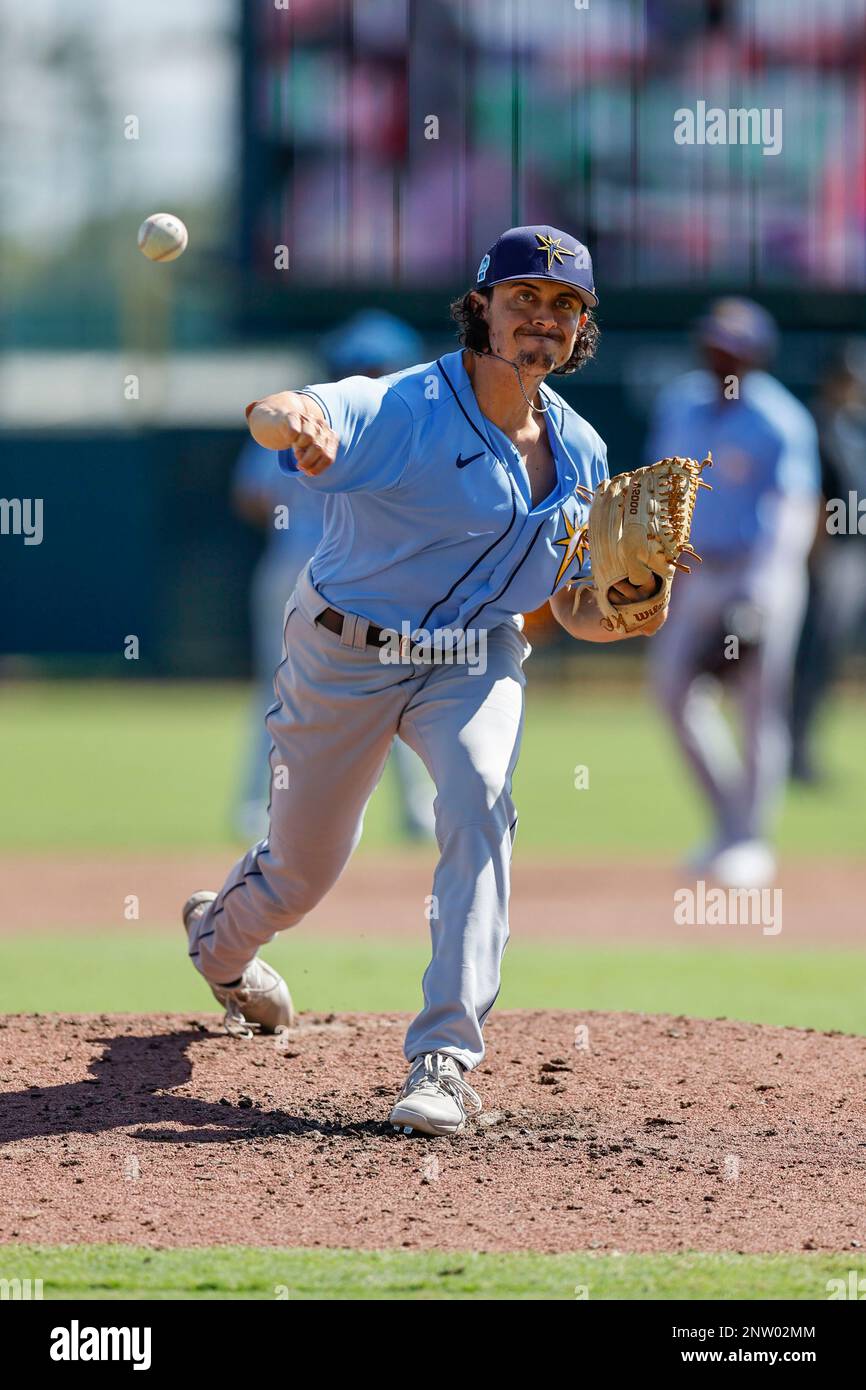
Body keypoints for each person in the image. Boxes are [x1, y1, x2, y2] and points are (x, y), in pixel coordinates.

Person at [183, 225, 662, 1136]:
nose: (543, 320)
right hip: (344, 653)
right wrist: (301, 424)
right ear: (480, 306)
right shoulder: (405, 404)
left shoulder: (585, 453)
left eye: (565, 306)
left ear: (582, 329)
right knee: (299, 876)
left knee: (480, 797)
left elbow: (573, 610)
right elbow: (283, 410)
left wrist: (631, 606)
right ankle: (219, 942)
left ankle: (442, 1060)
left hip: (473, 656)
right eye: (524, 298)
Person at [232, 310, 436, 842]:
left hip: (300, 565)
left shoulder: (298, 410)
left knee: (280, 692)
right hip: (367, 574)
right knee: (391, 687)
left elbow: (252, 496)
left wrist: (297, 504)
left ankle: (257, 809)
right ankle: (415, 811)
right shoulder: (405, 423)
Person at [646, 298, 821, 888]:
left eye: (732, 344)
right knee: (671, 692)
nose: (720, 352)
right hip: (693, 571)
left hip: (757, 569)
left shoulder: (778, 418)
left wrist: (759, 598)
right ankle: (727, 822)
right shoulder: (682, 404)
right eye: (714, 341)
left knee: (754, 703)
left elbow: (792, 513)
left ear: (755, 353)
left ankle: (751, 840)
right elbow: (661, 491)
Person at [790, 339, 866, 782]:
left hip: (855, 552)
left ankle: (804, 747)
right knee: (812, 657)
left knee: (831, 657)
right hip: (829, 556)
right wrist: (815, 560)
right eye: (850, 378)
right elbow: (811, 498)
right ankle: (794, 750)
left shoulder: (854, 427)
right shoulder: (814, 426)